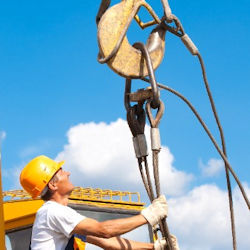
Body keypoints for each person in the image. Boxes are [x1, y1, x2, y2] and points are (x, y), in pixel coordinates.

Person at [20, 155, 178, 250]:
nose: (68, 173)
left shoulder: (60, 219)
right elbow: (104, 230)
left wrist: (154, 247)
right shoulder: (52, 212)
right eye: (61, 171)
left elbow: (109, 243)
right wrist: (149, 215)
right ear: (53, 185)